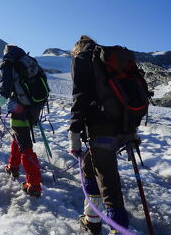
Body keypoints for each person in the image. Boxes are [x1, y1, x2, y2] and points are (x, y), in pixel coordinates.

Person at [68, 35, 130, 235]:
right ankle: (92, 219)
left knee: (108, 182)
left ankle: (118, 230)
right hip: (123, 124)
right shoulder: (106, 60)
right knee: (89, 166)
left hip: (102, 127)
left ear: (77, 49)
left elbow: (80, 97)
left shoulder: (83, 59)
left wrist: (74, 132)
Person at [0, 44, 45, 197]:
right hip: (35, 108)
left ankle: (34, 184)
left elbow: (4, 89)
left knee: (25, 146)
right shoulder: (29, 61)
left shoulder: (9, 62)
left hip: (19, 108)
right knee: (18, 137)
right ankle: (14, 166)